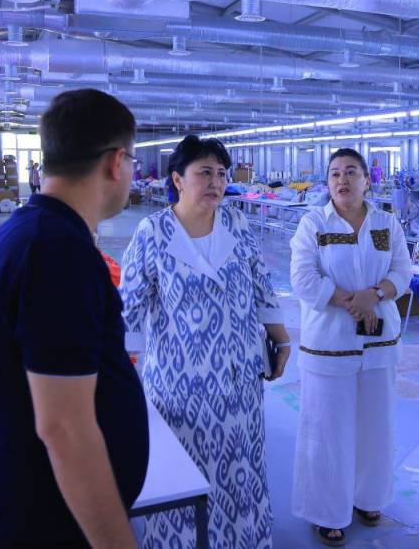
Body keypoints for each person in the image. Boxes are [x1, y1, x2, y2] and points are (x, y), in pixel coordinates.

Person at [0, 89, 149, 548]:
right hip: (46, 529)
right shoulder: (56, 253)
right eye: (133, 161)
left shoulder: (30, 233)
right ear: (116, 162)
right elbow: (64, 429)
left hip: (34, 515)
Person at [120, 134, 290, 549]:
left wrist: (281, 341)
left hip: (240, 379)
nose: (216, 182)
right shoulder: (153, 232)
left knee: (240, 468)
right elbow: (129, 309)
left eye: (221, 173)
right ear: (178, 179)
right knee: (185, 476)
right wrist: (122, 381)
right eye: (204, 173)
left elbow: (261, 284)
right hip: (180, 387)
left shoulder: (236, 224)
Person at [290, 148, 413, 546]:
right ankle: (327, 511)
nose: (342, 180)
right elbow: (303, 279)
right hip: (329, 344)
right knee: (327, 430)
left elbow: (402, 270)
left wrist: (374, 294)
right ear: (327, 182)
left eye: (351, 172)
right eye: (334, 174)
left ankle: (368, 498)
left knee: (376, 426)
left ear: (367, 180)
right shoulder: (313, 223)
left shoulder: (386, 223)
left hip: (379, 344)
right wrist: (352, 302)